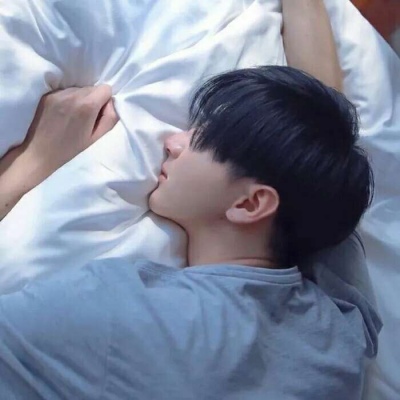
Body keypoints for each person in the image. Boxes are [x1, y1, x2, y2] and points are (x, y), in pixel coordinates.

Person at [0, 1, 382, 399]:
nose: (172, 142)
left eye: (200, 139)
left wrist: (33, 163)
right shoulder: (340, 334)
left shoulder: (116, 313)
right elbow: (320, 145)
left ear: (251, 204)